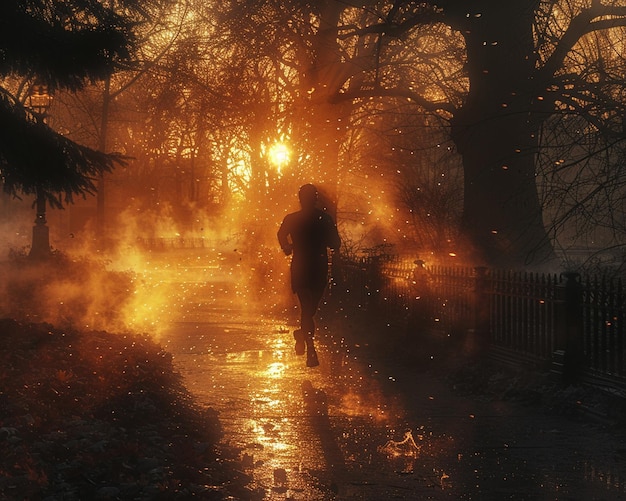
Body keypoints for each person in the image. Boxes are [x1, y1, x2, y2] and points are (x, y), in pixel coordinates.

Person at [277, 184, 341, 367]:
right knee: (309, 308)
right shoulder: (324, 219)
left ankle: (302, 334)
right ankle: (311, 350)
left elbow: (281, 234)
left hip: (301, 266)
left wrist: (286, 247)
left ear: (300, 199)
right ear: (315, 198)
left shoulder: (292, 219)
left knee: (308, 310)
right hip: (317, 267)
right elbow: (335, 243)